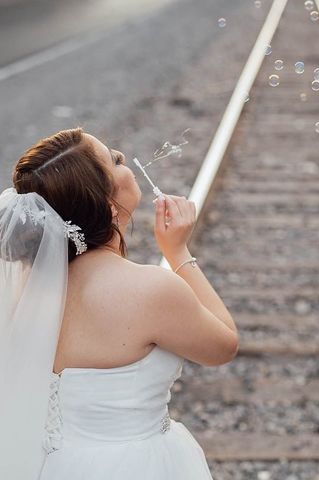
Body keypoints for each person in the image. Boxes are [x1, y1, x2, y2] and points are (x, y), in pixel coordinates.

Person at [0, 128, 238, 479]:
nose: (123, 156)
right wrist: (177, 251)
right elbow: (224, 345)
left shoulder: (29, 292)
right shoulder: (151, 289)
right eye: (114, 159)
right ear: (111, 206)